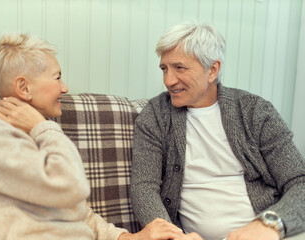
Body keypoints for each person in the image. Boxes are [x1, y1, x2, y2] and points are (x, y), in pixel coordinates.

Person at [0, 33, 189, 240]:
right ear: (24, 87)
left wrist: (129, 238)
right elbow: (71, 187)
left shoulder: (33, 137)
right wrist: (43, 126)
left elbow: (76, 212)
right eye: (57, 77)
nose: (65, 87)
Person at [130, 21, 305, 240]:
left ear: (212, 69)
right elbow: (143, 186)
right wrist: (171, 235)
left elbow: (300, 182)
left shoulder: (256, 111)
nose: (168, 80)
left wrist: (270, 225)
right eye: (164, 68)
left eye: (180, 68)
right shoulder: (155, 115)